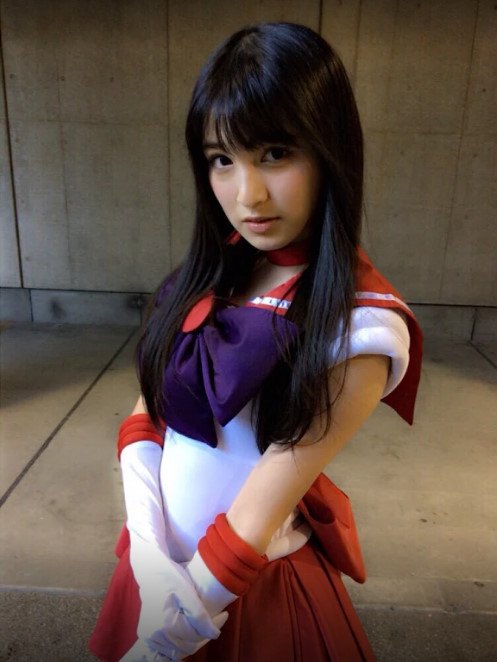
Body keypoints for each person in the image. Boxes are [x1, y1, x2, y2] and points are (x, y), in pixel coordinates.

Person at [89, 22, 423, 662]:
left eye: (274, 152)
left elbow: (258, 513)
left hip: (241, 592)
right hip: (160, 575)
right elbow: (149, 413)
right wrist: (149, 549)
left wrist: (164, 639)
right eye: (222, 159)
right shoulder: (214, 273)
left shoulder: (361, 325)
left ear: (330, 150)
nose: (248, 195)